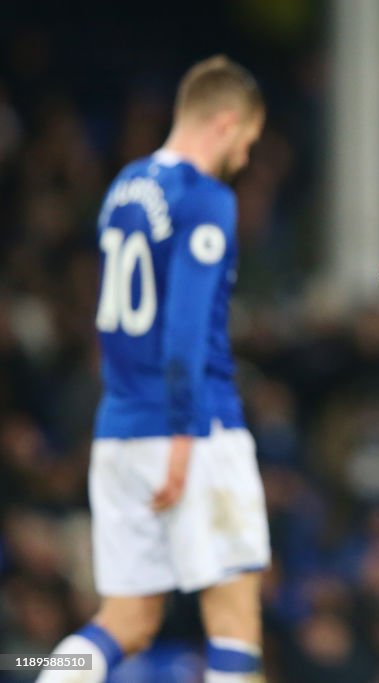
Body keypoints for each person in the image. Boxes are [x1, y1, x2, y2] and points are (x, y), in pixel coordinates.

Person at [38, 56, 269, 683]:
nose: (244, 160)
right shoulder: (205, 199)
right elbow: (185, 334)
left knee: (127, 620)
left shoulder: (123, 189)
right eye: (246, 142)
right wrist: (182, 437)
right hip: (194, 429)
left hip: (117, 428)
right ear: (225, 124)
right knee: (235, 618)